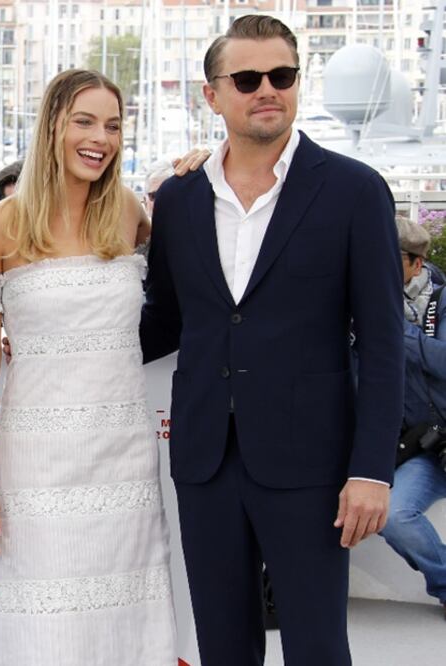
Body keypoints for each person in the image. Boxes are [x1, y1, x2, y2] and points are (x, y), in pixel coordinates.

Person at [141, 15, 403, 665]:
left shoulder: (354, 191)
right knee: (223, 647)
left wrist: (371, 470)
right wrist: (53, 338)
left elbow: (383, 343)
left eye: (282, 76)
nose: (267, 90)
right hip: (205, 461)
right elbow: (165, 321)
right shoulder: (179, 198)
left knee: (317, 647)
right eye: (248, 79)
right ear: (212, 95)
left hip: (312, 464)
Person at [0, 69, 176, 664]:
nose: (99, 139)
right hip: (39, 456)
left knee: (125, 616)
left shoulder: (128, 211)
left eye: (112, 125)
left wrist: (203, 168)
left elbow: (194, 269)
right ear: (52, 125)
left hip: (123, 451)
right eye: (84, 121)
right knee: (45, 620)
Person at [382, 218, 446, 621]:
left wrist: (395, 333)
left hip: (441, 440)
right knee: (390, 515)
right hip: (415, 448)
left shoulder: (441, 302)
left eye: (390, 257)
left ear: (416, 263)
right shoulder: (365, 305)